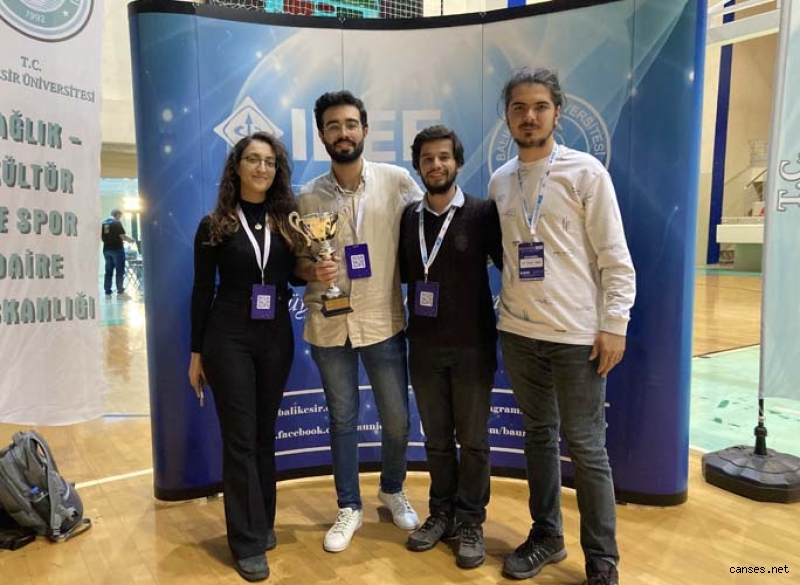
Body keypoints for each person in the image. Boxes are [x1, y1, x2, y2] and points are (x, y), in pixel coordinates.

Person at [488, 67, 636, 585]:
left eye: (540, 107)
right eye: (519, 108)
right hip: (518, 333)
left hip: (577, 337)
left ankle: (602, 558)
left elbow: (614, 257)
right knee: (537, 437)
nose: (529, 116)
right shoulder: (500, 180)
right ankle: (547, 536)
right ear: (507, 116)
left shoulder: (585, 172)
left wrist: (614, 323)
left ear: (557, 112)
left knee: (588, 448)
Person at [295, 90, 423, 553]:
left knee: (397, 419)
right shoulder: (307, 196)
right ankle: (349, 505)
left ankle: (391, 488)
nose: (343, 133)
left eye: (350, 124)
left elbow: (427, 232)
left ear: (365, 130)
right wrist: (314, 271)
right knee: (342, 419)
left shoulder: (397, 181)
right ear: (322, 135)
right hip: (329, 324)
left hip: (382, 319)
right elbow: (297, 264)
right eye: (333, 126)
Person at [188, 132, 305, 582]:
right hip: (229, 334)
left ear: (277, 171)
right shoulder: (215, 224)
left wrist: (320, 268)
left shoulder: (287, 222)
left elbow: (297, 276)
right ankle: (246, 541)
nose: (262, 168)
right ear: (237, 166)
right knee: (239, 439)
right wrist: (196, 353)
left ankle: (262, 522)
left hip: (276, 333)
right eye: (253, 159)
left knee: (262, 435)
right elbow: (202, 290)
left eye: (270, 162)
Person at [398, 125, 503, 568]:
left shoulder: (483, 213)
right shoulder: (409, 218)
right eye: (427, 159)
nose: (436, 165)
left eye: (443, 157)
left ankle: (471, 520)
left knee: (473, 441)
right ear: (418, 166)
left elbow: (510, 267)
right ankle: (441, 513)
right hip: (423, 347)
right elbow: (403, 272)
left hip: (473, 347)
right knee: (437, 440)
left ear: (458, 162)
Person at [101, 209, 134, 295]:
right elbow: (122, 236)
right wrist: (130, 240)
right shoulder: (116, 222)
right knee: (119, 270)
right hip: (117, 249)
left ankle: (107, 289)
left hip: (106, 249)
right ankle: (120, 288)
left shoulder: (103, 223)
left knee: (108, 270)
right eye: (120, 216)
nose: (120, 218)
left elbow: (101, 238)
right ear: (117, 214)